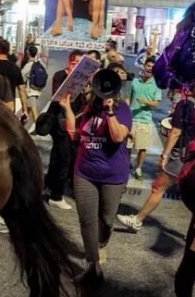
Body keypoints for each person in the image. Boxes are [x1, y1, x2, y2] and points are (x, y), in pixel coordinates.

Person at [59, 73, 132, 283]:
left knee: (107, 220)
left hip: (113, 174)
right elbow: (74, 135)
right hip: (85, 172)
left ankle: (101, 244)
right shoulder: (88, 107)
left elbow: (118, 137)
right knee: (87, 220)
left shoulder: (122, 108)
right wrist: (67, 109)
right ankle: (93, 265)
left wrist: (110, 112)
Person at [117, 88, 195, 232]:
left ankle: (137, 220)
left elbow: (175, 132)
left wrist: (164, 156)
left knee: (158, 187)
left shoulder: (185, 105)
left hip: (181, 153)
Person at [45, 50, 84, 210]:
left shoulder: (83, 79)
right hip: (60, 123)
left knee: (60, 156)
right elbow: (58, 97)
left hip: (74, 121)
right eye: (75, 63)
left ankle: (49, 185)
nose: (77, 67)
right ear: (70, 62)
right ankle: (56, 195)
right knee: (63, 158)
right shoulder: (60, 75)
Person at [129, 58, 162, 180]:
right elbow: (128, 98)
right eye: (148, 66)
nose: (149, 69)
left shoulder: (157, 85)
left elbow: (156, 104)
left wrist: (145, 101)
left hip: (145, 120)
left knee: (142, 147)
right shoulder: (134, 82)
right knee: (127, 146)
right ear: (144, 66)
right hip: (131, 119)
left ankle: (138, 169)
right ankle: (126, 164)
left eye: (152, 67)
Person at [0, 39, 29, 121]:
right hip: (9, 107)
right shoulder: (15, 68)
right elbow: (22, 90)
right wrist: (24, 110)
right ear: (8, 50)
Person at [20, 45, 43, 131]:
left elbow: (21, 76)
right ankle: (21, 126)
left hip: (31, 91)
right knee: (28, 109)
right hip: (37, 90)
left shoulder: (29, 65)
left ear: (28, 53)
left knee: (33, 109)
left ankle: (38, 128)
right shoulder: (38, 64)